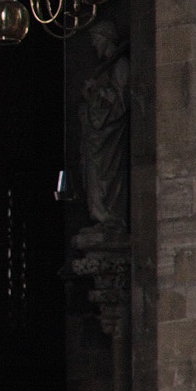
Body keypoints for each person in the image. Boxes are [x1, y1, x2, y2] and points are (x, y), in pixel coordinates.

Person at [78, 20, 129, 242]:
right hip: (97, 135)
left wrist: (97, 94)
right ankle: (101, 217)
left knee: (108, 176)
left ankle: (112, 219)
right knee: (94, 175)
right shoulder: (105, 68)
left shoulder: (120, 66)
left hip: (110, 135)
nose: (94, 45)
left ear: (105, 38)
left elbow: (122, 104)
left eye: (96, 40)